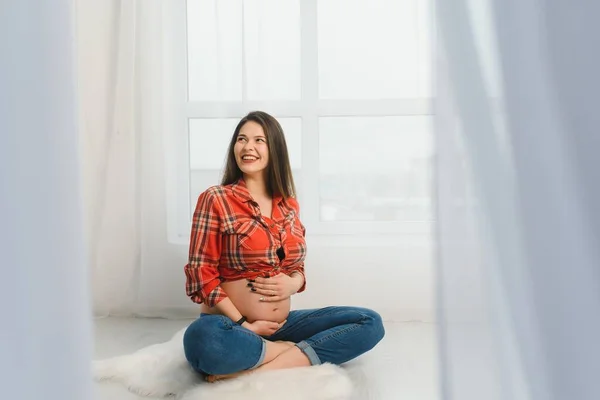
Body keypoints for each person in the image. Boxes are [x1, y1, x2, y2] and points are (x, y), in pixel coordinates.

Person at [182, 111, 385, 382]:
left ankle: (264, 365)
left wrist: (293, 283)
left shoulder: (288, 204)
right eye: (241, 139)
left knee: (369, 322)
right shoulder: (216, 198)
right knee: (203, 341)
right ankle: (289, 352)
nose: (247, 147)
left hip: (282, 324)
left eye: (258, 140)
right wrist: (246, 324)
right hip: (231, 325)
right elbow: (201, 272)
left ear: (274, 149)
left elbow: (295, 266)